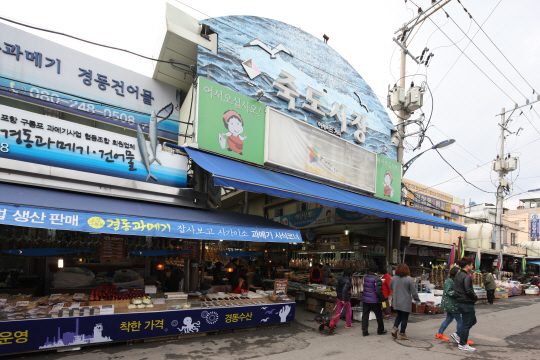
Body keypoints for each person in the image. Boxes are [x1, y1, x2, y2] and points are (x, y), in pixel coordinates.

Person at [435, 266, 472, 346]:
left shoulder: (455, 280)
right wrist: (459, 293)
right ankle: (461, 338)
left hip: (452, 304)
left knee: (449, 319)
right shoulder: (449, 281)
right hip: (451, 304)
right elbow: (449, 292)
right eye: (458, 272)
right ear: (454, 273)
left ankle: (439, 334)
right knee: (460, 321)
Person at [390, 263, 421, 340]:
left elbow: (391, 286)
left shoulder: (394, 278)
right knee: (404, 318)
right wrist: (417, 300)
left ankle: (394, 328)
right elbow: (413, 292)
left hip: (397, 301)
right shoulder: (409, 279)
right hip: (405, 301)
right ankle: (402, 334)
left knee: (399, 315)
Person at [454, 257, 478, 352]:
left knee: (472, 321)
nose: (472, 267)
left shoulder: (458, 275)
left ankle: (458, 334)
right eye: (472, 265)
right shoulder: (466, 276)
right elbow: (468, 290)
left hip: (460, 302)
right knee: (467, 323)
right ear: (467, 266)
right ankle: (463, 343)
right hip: (466, 303)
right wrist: (475, 297)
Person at [362, 264, 387, 336]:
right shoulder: (377, 279)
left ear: (369, 271)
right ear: (377, 271)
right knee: (379, 315)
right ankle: (380, 330)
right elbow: (378, 291)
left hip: (365, 299)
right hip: (374, 300)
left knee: (365, 315)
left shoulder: (366, 277)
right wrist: (382, 299)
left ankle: (364, 331)